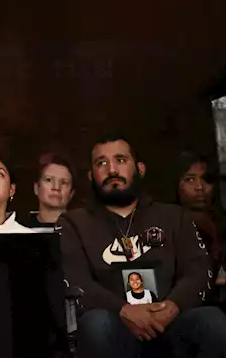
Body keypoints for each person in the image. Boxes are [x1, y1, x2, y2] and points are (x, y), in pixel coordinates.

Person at [59, 135, 226, 358]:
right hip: (113, 326)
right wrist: (123, 309)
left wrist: (173, 306)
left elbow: (198, 269)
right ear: (91, 176)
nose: (112, 170)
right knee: (96, 325)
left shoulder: (174, 216)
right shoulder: (73, 223)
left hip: (173, 324)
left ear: (140, 169)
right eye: (101, 163)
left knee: (213, 321)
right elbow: (73, 278)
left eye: (120, 160)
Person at [173, 152, 225, 293]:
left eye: (206, 180)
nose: (199, 187)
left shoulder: (220, 222)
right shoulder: (168, 225)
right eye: (190, 180)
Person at [19, 153, 75, 228]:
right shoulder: (21, 230)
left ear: (71, 193)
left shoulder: (81, 231)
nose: (56, 188)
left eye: (64, 182)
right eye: (49, 180)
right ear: (36, 188)